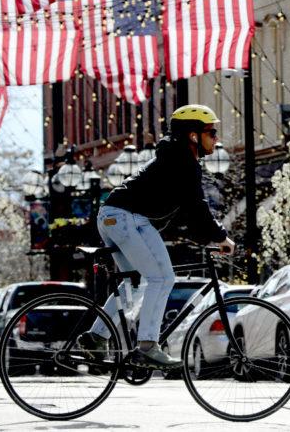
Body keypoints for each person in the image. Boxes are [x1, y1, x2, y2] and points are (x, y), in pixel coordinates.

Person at [78, 104, 235, 367]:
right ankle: (148, 345)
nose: (216, 138)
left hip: (115, 216)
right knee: (162, 277)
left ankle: (96, 337)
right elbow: (196, 205)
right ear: (193, 135)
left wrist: (209, 237)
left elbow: (189, 212)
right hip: (126, 217)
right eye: (212, 131)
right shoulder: (183, 160)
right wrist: (220, 236)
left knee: (136, 283)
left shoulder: (177, 157)